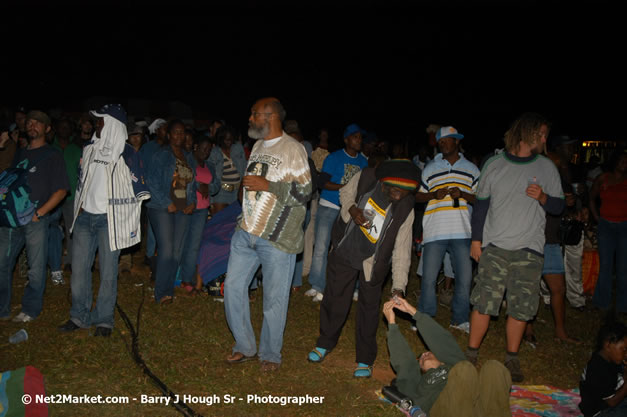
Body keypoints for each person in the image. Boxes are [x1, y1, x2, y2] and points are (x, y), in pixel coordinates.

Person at [467, 113, 564, 382]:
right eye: (542, 134)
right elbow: (481, 205)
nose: (545, 139)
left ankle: (512, 357)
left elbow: (559, 206)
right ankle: (471, 353)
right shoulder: (494, 164)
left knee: (521, 306)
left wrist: (544, 197)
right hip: (495, 246)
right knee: (484, 302)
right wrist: (476, 240)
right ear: (527, 133)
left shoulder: (547, 167)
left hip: (529, 249)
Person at [308, 159, 418, 378]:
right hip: (346, 248)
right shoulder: (366, 177)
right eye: (396, 190)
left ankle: (365, 359)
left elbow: (402, 250)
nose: (399, 196)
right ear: (384, 183)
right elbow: (344, 194)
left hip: (374, 262)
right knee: (335, 298)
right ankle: (325, 342)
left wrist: (398, 287)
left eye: (405, 192)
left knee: (369, 309)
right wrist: (353, 210)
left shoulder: (406, 208)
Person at [224, 97, 311, 372]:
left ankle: (270, 354)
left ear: (270, 116)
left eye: (254, 114)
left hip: (277, 238)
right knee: (233, 289)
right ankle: (245, 345)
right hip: (246, 232)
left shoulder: (293, 149)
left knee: (273, 300)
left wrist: (269, 185)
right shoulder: (258, 145)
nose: (249, 119)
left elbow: (304, 192)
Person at [58, 104, 149, 336]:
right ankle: (79, 316)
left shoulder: (126, 153)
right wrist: (78, 208)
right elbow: (81, 182)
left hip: (109, 221)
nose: (95, 125)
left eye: (100, 121)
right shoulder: (89, 148)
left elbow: (139, 189)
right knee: (79, 270)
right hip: (85, 218)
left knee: (108, 272)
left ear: (112, 124)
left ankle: (104, 320)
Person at [382, 297, 512, 417]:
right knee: (464, 369)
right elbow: (405, 363)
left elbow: (442, 341)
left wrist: (413, 312)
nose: (424, 354)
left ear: (442, 359)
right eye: (420, 359)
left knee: (493, 368)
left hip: (476, 408)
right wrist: (392, 324)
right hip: (444, 409)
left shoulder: (453, 365)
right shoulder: (418, 382)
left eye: (428, 352)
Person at [0, 110, 69, 322]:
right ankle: (2, 308)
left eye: (38, 123)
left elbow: (62, 190)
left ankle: (30, 309)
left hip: (35, 220)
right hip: (11, 219)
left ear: (47, 129)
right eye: (29, 122)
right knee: (2, 263)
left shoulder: (53, 155)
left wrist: (40, 213)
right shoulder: (19, 153)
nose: (32, 126)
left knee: (36, 268)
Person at [415, 126, 479, 334]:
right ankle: (425, 317)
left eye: (447, 140)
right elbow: (417, 196)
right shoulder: (430, 168)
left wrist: (463, 194)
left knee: (464, 278)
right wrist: (433, 195)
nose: (443, 143)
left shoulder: (471, 169)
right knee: (429, 278)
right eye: (440, 141)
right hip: (435, 230)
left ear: (457, 141)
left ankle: (459, 319)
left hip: (462, 231)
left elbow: (481, 199)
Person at [306, 123, 368, 302]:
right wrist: (346, 188)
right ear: (346, 139)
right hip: (329, 205)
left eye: (360, 138)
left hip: (351, 211)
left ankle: (353, 287)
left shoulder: (363, 162)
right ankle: (318, 285)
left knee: (351, 249)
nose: (359, 141)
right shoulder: (334, 158)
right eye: (356, 137)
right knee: (321, 247)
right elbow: (322, 182)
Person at [146, 120, 197, 305]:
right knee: (166, 252)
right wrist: (167, 202)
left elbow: (192, 184)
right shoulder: (161, 155)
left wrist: (193, 202)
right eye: (175, 132)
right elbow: (151, 181)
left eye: (182, 133)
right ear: (169, 135)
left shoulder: (188, 157)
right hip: (161, 207)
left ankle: (168, 289)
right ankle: (161, 292)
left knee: (176, 253)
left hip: (182, 208)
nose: (179, 136)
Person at [179, 135, 218, 294]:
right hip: (187, 207)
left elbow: (216, 186)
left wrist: (207, 187)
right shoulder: (186, 161)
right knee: (181, 244)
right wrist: (198, 185)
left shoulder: (210, 165)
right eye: (203, 149)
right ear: (195, 147)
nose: (206, 152)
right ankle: (177, 276)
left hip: (202, 210)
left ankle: (188, 280)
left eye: (208, 150)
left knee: (194, 246)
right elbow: (183, 181)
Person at [588, 151, 627, 314]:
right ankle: (601, 302)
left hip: (624, 226)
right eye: (622, 160)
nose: (624, 163)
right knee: (605, 265)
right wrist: (598, 218)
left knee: (623, 268)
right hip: (606, 226)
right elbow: (591, 198)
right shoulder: (603, 178)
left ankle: (623, 306)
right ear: (615, 161)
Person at [49, 117, 82, 280]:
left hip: (71, 196)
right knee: (52, 230)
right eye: (61, 127)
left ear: (71, 131)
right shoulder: (49, 148)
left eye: (67, 127)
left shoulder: (76, 150)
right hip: (51, 197)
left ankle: (69, 261)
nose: (64, 130)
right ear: (56, 129)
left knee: (72, 230)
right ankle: (53, 262)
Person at [579, 320, 627, 416]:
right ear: (608, 345)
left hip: (614, 402)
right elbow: (612, 402)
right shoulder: (598, 369)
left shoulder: (612, 359)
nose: (626, 354)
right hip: (600, 411)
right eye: (624, 349)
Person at [207, 125, 246, 214]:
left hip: (237, 191)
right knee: (219, 222)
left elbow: (244, 169)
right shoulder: (214, 153)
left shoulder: (238, 148)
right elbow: (210, 178)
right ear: (220, 139)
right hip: (221, 192)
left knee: (233, 224)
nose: (229, 142)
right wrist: (211, 200)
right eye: (226, 139)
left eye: (231, 139)